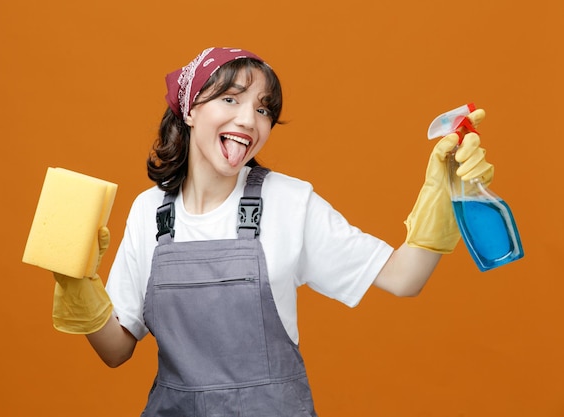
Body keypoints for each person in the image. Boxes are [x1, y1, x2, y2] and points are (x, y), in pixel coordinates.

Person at [51, 47, 494, 416]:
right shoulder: (148, 211)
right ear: (188, 109)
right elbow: (116, 349)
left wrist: (442, 194)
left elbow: (404, 278)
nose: (249, 120)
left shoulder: (289, 201)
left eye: (263, 109)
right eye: (231, 99)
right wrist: (77, 285)